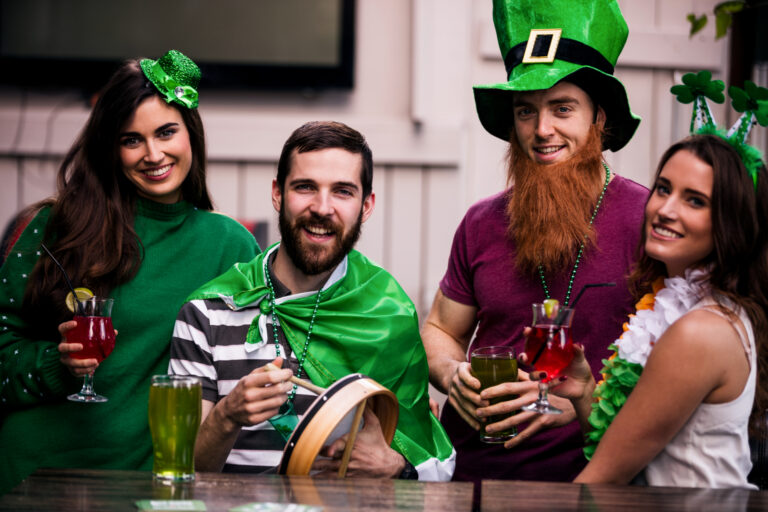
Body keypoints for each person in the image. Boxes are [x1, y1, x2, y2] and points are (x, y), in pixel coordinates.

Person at [0, 50, 259, 493]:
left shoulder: (230, 245)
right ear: (110, 148)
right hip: (32, 475)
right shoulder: (53, 226)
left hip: (145, 482)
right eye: (131, 139)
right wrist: (56, 364)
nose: (153, 154)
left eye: (166, 132)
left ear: (190, 133)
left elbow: (258, 361)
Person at [421, 0, 649, 483]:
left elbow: (672, 372)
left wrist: (584, 402)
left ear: (598, 120)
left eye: (562, 109)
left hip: (588, 480)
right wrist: (451, 375)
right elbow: (441, 328)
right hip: (470, 476)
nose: (542, 130)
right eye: (527, 111)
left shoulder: (646, 221)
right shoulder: (481, 222)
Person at [169, 120, 455, 480]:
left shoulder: (388, 314)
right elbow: (181, 470)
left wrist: (396, 466)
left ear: (366, 206)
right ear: (277, 193)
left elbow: (430, 463)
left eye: (343, 192)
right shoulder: (206, 313)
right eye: (305, 187)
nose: (322, 208)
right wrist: (228, 416)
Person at [543, 133, 768, 488]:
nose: (665, 209)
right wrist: (586, 390)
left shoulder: (700, 332)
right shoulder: (685, 308)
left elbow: (604, 478)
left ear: (731, 223)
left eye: (695, 201)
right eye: (663, 189)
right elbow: (622, 449)